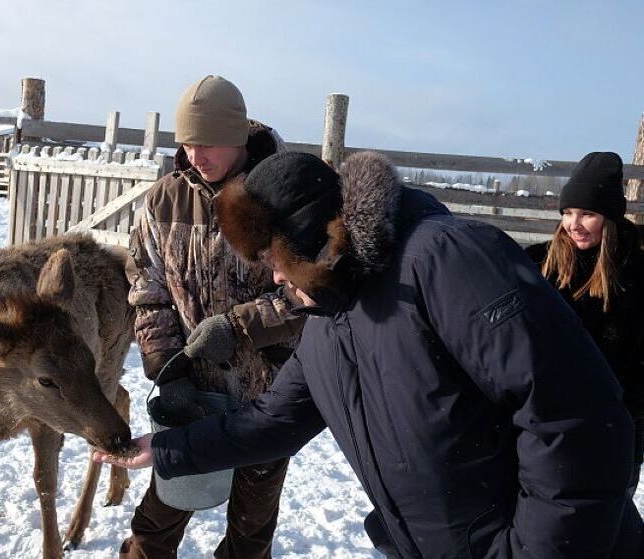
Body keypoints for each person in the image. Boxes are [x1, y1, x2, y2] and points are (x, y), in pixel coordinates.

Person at [103, 151, 643, 557]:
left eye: (274, 257)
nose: (272, 276)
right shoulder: (327, 323)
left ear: (310, 243)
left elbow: (574, 419)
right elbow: (273, 420)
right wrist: (169, 449)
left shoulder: (449, 260)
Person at [122, 75, 304, 559]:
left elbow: (312, 295)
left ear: (239, 136)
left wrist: (240, 326)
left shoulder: (283, 198)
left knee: (251, 527)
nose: (196, 155)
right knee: (157, 520)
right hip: (190, 391)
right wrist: (166, 364)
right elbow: (148, 291)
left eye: (209, 142)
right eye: (187, 142)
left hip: (264, 397)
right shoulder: (163, 200)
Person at [526, 151, 644, 497]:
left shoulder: (634, 273)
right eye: (567, 212)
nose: (573, 224)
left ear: (609, 217)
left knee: (610, 509)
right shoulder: (539, 264)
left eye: (587, 214)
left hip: (617, 418)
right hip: (550, 417)